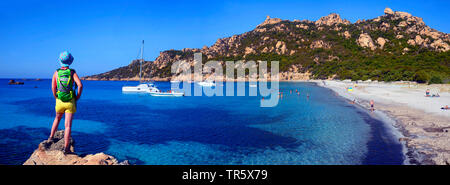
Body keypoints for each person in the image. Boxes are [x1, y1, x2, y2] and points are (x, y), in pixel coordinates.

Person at [47, 51, 83, 154]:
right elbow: (80, 85)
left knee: (57, 119)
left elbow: (53, 87)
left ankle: (50, 137)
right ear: (70, 61)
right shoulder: (72, 72)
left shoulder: (56, 72)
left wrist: (55, 97)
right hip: (70, 102)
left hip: (59, 101)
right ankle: (66, 148)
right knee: (67, 126)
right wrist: (77, 97)